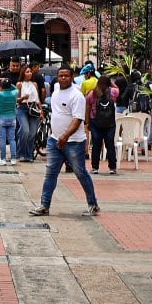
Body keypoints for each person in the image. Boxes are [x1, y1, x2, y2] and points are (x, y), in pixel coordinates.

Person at [28, 65, 99, 217]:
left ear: (72, 77)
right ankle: (44, 205)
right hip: (54, 141)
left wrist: (65, 136)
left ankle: (93, 204)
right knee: (50, 174)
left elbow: (78, 119)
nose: (63, 78)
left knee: (80, 173)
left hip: (74, 142)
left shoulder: (77, 95)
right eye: (60, 76)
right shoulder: (55, 91)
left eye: (66, 76)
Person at [87, 74, 118, 174]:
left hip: (95, 122)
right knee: (110, 145)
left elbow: (87, 108)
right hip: (110, 123)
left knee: (96, 145)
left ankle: (95, 168)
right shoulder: (113, 92)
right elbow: (116, 88)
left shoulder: (92, 93)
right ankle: (112, 168)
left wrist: (87, 122)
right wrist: (110, 83)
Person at [16, 67, 41, 163]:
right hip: (22, 108)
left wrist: (41, 110)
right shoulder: (19, 84)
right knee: (25, 130)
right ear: (23, 73)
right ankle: (21, 153)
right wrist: (23, 97)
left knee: (32, 133)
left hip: (34, 108)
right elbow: (16, 100)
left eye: (30, 72)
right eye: (27, 72)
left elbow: (37, 98)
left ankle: (29, 154)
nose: (30, 73)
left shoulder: (34, 84)